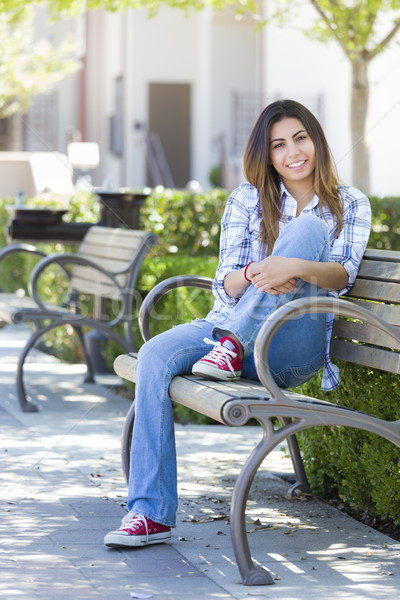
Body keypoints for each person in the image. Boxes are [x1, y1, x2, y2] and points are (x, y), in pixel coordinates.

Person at [104, 99, 371, 549]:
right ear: (267, 155)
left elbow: (343, 276)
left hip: (290, 347)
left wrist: (293, 267)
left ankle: (233, 344)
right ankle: (151, 514)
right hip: (221, 331)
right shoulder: (248, 198)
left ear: (317, 141)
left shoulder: (349, 203)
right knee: (152, 355)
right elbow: (224, 284)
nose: (293, 153)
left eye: (301, 138)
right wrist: (255, 275)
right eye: (279, 145)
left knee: (308, 232)